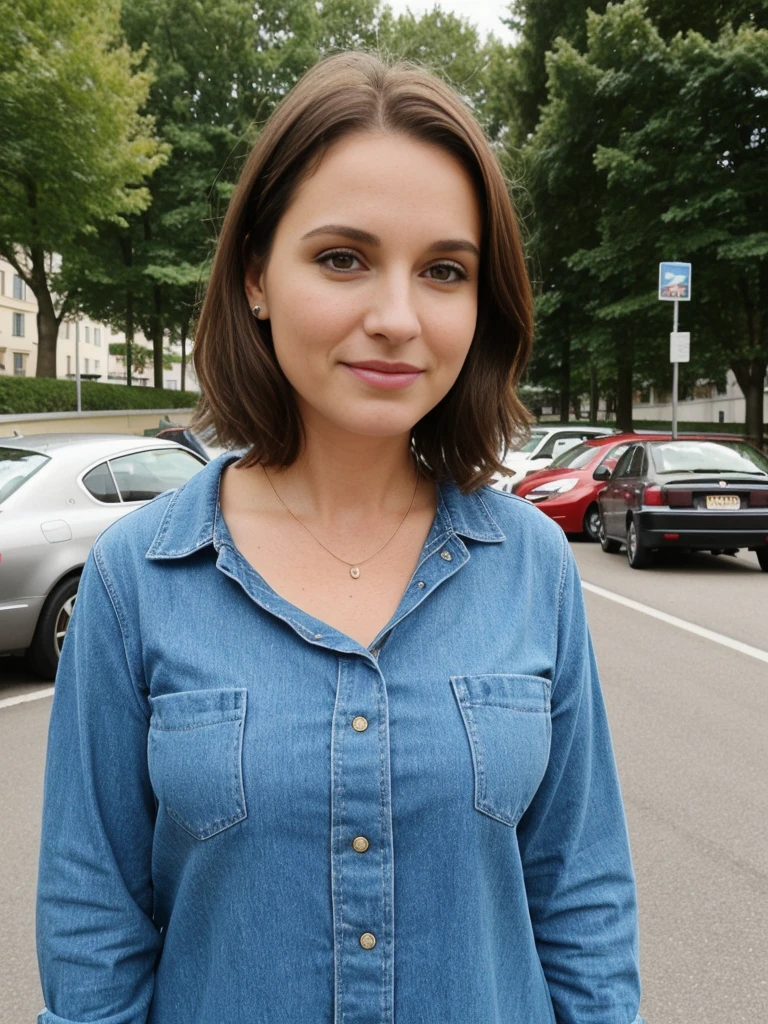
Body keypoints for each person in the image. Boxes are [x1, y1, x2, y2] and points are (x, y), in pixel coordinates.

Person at [36, 52, 647, 1024]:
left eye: (444, 271)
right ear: (255, 277)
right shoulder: (135, 579)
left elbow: (581, 897)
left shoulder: (534, 568)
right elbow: (95, 932)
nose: (397, 317)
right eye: (342, 258)